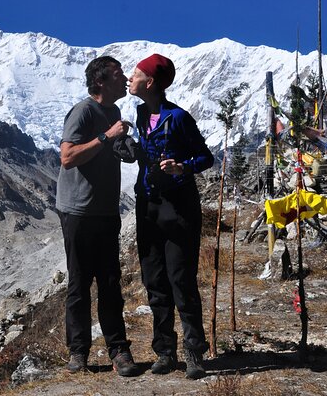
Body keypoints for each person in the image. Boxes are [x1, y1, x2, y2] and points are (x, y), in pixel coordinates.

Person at [128, 54, 214, 380]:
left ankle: (194, 352)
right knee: (155, 281)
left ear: (149, 82)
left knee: (181, 279)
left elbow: (206, 157)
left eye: (135, 74)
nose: (129, 78)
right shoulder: (139, 115)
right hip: (147, 206)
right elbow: (145, 156)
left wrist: (182, 167)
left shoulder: (178, 118)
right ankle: (164, 351)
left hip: (178, 208)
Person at [55, 55, 140, 377]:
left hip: (105, 210)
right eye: (119, 74)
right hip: (78, 210)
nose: (125, 79)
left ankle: (119, 349)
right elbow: (67, 157)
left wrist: (123, 145)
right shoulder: (83, 111)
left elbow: (109, 152)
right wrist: (106, 136)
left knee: (109, 283)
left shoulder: (113, 112)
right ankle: (78, 352)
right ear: (101, 81)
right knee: (79, 283)